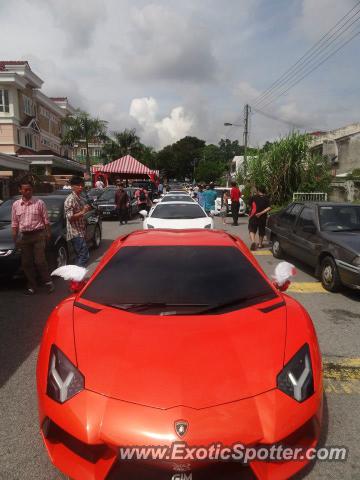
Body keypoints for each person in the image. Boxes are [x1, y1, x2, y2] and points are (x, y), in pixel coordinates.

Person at [11, 177, 54, 295]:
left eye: (30, 190)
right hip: (24, 237)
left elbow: (46, 220)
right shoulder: (16, 205)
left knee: (40, 261)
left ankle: (48, 282)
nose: (28, 192)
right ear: (20, 190)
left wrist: (48, 234)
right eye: (25, 190)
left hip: (38, 235)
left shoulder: (39, 203)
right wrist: (15, 239)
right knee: (26, 263)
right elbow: (14, 223)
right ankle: (32, 286)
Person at [64, 176, 92, 266]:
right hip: (75, 233)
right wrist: (83, 211)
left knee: (81, 256)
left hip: (81, 231)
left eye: (81, 185)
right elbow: (70, 217)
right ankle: (75, 278)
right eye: (78, 185)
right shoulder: (70, 199)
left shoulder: (80, 198)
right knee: (84, 256)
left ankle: (77, 278)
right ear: (72, 186)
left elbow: (82, 214)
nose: (81, 187)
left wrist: (85, 209)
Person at [248, 185, 271, 251]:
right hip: (262, 217)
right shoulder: (266, 198)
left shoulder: (253, 197)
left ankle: (253, 241)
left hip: (253, 216)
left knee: (252, 229)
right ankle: (260, 244)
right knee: (261, 230)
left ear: (258, 191)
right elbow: (269, 207)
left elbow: (249, 205)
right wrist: (261, 213)